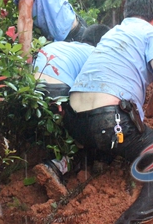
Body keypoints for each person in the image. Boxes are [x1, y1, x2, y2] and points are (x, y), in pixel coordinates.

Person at [65, 0, 153, 224]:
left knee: (112, 139)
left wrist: (149, 109)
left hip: (73, 119)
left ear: (126, 14)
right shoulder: (152, 33)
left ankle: (88, 160)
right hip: (109, 121)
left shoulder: (113, 33)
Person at [31, 24, 110, 199]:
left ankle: (44, 156)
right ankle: (56, 165)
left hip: (31, 89)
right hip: (57, 88)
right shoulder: (96, 54)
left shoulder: (65, 46)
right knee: (82, 127)